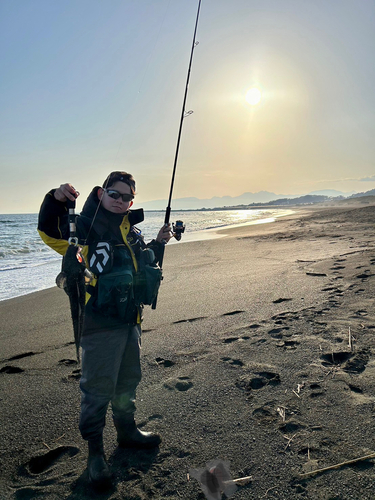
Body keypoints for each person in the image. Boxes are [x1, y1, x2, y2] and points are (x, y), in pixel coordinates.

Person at [38, 171, 172, 486]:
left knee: (128, 380)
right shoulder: (83, 228)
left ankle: (127, 431)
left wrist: (158, 242)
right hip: (99, 324)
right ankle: (95, 454)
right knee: (97, 389)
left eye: (128, 198)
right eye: (116, 195)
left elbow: (142, 261)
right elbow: (49, 230)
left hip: (131, 321)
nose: (122, 201)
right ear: (101, 193)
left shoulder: (132, 231)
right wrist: (55, 199)